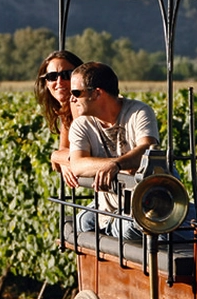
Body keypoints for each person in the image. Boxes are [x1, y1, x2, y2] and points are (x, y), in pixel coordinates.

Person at [68, 62, 160, 241]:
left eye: (76, 93)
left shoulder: (139, 112)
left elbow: (148, 150)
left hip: (147, 204)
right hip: (110, 207)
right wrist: (118, 165)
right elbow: (77, 165)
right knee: (82, 222)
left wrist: (116, 164)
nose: (71, 99)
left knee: (126, 229)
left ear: (97, 93)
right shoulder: (81, 125)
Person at [34, 50, 84, 187]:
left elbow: (82, 157)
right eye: (52, 76)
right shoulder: (65, 112)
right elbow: (65, 150)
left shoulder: (84, 108)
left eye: (67, 75)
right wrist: (65, 160)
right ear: (45, 82)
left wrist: (56, 156)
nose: (59, 81)